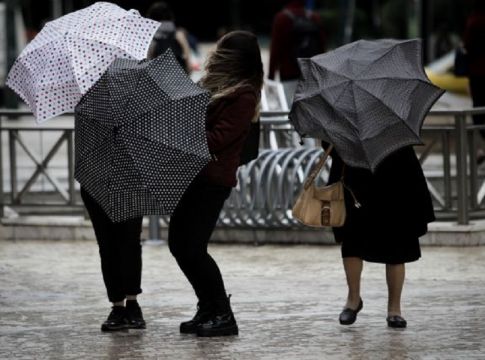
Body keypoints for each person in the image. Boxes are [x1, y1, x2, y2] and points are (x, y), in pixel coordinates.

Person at [168, 31, 264, 337]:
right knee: (179, 244)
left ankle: (222, 313)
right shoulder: (215, 86)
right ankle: (208, 307)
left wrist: (183, 132)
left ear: (233, 57)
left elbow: (220, 139)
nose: (214, 54)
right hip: (194, 176)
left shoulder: (244, 94)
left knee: (192, 248)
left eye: (222, 50)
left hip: (212, 180)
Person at [324, 144, 435, 328]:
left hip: (394, 173)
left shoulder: (391, 118)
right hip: (353, 177)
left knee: (396, 242)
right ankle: (353, 300)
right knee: (352, 238)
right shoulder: (341, 117)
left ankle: (394, 309)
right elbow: (329, 146)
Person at [81, 189, 145, 332]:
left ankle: (132, 303)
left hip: (130, 184)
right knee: (107, 246)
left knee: (130, 243)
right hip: (96, 184)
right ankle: (117, 306)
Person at [268, 0, 326, 106]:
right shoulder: (314, 18)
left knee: (287, 108)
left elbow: (275, 49)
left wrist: (271, 76)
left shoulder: (282, 18)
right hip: (309, 73)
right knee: (307, 110)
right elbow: (322, 48)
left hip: (288, 73)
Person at [463, 0, 485, 160]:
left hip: (478, 73)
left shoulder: (475, 20)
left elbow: (468, 45)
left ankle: (482, 148)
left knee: (478, 111)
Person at [146, 1, 192, 74]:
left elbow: (150, 55)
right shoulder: (178, 33)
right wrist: (188, 67)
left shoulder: (152, 35)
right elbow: (186, 52)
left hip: (159, 72)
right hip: (179, 70)